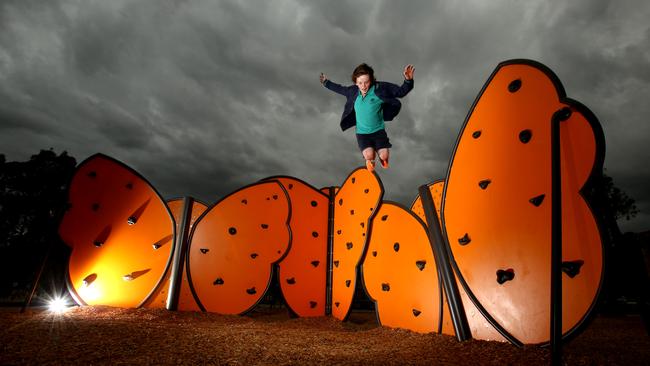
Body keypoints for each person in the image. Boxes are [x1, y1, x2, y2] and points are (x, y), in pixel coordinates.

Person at [320, 63, 414, 171]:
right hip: (362, 133)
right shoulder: (352, 92)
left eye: (366, 82)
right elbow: (339, 88)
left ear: (371, 80)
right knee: (369, 155)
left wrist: (408, 80)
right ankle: (370, 160)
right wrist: (326, 82)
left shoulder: (380, 89)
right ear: (355, 82)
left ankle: (383, 159)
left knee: (384, 155)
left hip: (378, 131)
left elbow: (400, 92)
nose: (363, 86)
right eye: (360, 83)